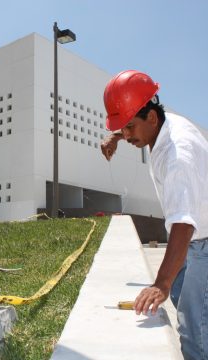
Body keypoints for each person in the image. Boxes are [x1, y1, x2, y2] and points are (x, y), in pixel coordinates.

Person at [101, 70, 208, 360]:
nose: (126, 135)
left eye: (129, 128)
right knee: (184, 304)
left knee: (194, 331)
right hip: (195, 241)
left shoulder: (178, 155)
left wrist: (160, 284)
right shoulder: (157, 123)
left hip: (202, 242)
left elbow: (184, 224)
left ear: (151, 117)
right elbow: (133, 125)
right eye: (121, 128)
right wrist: (115, 137)